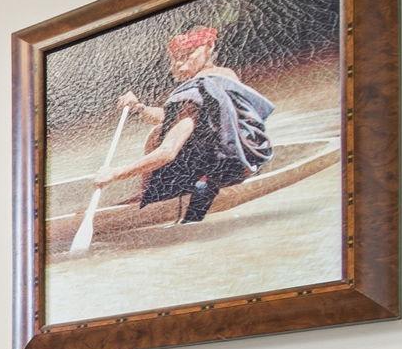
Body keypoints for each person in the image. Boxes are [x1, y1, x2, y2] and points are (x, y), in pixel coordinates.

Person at [95, 25, 275, 223]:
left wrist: (115, 174)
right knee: (160, 130)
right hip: (251, 157)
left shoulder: (198, 89)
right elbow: (173, 118)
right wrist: (139, 108)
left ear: (209, 48)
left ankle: (151, 199)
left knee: (156, 135)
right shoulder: (224, 75)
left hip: (221, 173)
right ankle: (146, 194)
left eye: (188, 54)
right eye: (177, 57)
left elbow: (168, 151)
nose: (180, 64)